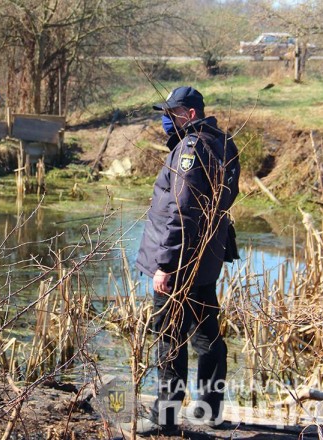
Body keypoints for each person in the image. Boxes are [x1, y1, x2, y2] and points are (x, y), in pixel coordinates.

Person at [134, 86, 240, 435]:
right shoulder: (224, 145)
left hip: (181, 264)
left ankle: (164, 419)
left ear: (190, 114)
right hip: (205, 261)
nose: (166, 119)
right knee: (207, 336)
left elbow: (183, 212)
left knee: (170, 339)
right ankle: (210, 412)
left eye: (172, 113)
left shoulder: (191, 150)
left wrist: (166, 265)